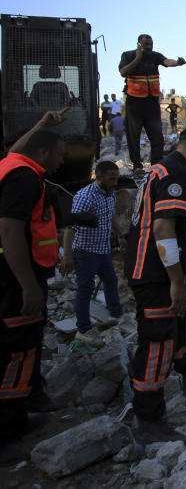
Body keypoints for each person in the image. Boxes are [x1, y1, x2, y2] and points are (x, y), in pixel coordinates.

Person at [125, 125, 186, 443]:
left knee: (178, 323)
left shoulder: (164, 168)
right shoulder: (176, 174)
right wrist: (176, 281)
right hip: (155, 274)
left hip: (158, 270)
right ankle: (149, 419)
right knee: (156, 342)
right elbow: (164, 228)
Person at [0, 126, 65, 464]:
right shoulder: (24, 179)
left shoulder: (11, 166)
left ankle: (19, 415)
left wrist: (42, 122)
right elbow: (9, 231)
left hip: (18, 276)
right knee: (16, 351)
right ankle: (4, 432)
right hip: (13, 281)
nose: (61, 161)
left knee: (24, 347)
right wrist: (27, 285)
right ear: (42, 153)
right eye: (58, 154)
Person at [61, 162, 124, 348]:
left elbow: (110, 214)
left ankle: (115, 315)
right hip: (85, 251)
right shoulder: (85, 197)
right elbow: (70, 228)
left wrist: (120, 236)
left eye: (116, 178)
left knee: (111, 280)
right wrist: (67, 255)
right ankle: (83, 330)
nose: (115, 182)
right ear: (100, 177)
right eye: (111, 178)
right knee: (85, 289)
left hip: (103, 248)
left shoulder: (110, 192)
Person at [119, 34, 186, 172]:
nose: (149, 47)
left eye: (151, 44)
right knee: (134, 135)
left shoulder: (155, 56)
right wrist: (138, 58)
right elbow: (123, 72)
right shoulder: (128, 55)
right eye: (146, 44)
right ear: (139, 44)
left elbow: (167, 61)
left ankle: (156, 165)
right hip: (135, 102)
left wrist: (177, 63)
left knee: (157, 136)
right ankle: (137, 165)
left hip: (151, 102)